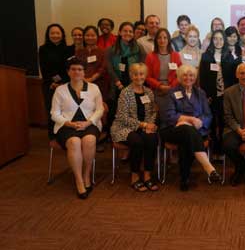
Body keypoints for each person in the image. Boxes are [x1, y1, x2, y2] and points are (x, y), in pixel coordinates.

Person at [159, 65, 221, 191]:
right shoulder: (172, 92)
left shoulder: (200, 93)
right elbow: (168, 115)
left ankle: (184, 178)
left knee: (187, 138)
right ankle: (208, 167)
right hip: (172, 129)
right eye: (185, 75)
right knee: (187, 131)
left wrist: (199, 123)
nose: (188, 78)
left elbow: (208, 114)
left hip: (197, 130)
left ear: (195, 77)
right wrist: (189, 120)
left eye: (191, 75)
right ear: (179, 77)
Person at [51, 58, 104, 199]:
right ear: (68, 72)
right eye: (73, 69)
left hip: (89, 124)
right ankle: (79, 180)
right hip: (66, 126)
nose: (77, 72)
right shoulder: (60, 90)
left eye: (80, 69)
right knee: (74, 142)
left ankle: (87, 175)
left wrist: (89, 122)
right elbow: (54, 114)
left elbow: (100, 110)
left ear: (84, 71)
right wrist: (68, 123)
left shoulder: (94, 88)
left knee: (89, 141)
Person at [111, 63, 159, 192]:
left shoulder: (149, 92)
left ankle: (147, 174)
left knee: (152, 139)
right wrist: (143, 125)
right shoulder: (125, 93)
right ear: (131, 76)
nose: (139, 77)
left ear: (145, 75)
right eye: (135, 74)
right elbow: (122, 116)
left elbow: (153, 112)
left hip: (144, 127)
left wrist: (149, 125)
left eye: (141, 74)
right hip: (124, 127)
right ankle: (134, 175)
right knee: (137, 141)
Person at [106, 22, 147, 128]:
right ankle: (115, 134)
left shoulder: (139, 49)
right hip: (116, 85)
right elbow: (109, 68)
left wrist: (135, 83)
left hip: (134, 84)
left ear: (133, 34)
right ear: (119, 32)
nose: (128, 33)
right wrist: (118, 83)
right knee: (116, 110)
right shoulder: (111, 50)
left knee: (133, 110)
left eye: (130, 31)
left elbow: (142, 66)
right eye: (125, 31)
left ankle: (132, 131)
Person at [199, 30, 231, 156]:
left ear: (224, 41)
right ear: (212, 41)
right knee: (211, 122)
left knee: (224, 122)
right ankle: (213, 148)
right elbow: (203, 78)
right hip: (211, 96)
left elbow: (232, 79)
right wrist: (206, 96)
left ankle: (223, 148)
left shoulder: (228, 56)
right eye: (215, 39)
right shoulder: (206, 56)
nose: (218, 41)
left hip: (225, 95)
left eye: (221, 39)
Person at [39, 23, 73, 139]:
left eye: (57, 33)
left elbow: (68, 68)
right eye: (52, 33)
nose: (55, 35)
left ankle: (64, 135)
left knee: (65, 110)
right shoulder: (43, 49)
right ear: (48, 35)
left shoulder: (68, 49)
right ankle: (53, 137)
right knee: (52, 111)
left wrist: (62, 82)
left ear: (62, 35)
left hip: (65, 84)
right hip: (49, 85)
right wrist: (53, 82)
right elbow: (44, 68)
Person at [76, 26, 108, 100]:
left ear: (97, 37)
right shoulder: (79, 52)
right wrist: (83, 79)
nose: (90, 38)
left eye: (93, 35)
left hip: (99, 84)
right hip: (82, 83)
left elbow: (103, 68)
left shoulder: (102, 52)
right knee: (84, 105)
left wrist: (92, 78)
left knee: (98, 107)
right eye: (87, 35)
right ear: (84, 37)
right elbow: (76, 67)